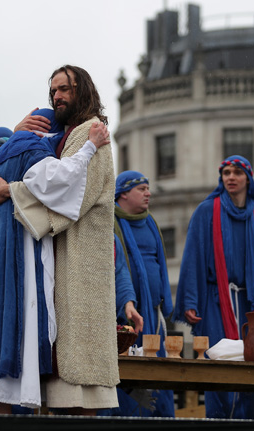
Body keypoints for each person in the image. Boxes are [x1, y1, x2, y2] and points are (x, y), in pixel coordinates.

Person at [0, 107, 108, 414]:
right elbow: (59, 180)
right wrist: (89, 146)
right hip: (15, 246)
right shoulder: (34, 148)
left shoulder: (3, 151)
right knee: (14, 322)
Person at [0, 65, 118, 414]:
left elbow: (71, 194)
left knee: (83, 373)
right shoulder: (66, 136)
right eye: (53, 91)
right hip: (65, 257)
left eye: (65, 89)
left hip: (84, 260)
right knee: (64, 365)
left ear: (83, 90)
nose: (57, 96)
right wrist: (18, 132)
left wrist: (13, 190)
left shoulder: (91, 132)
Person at [174, 155, 254, 419]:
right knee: (219, 365)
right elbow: (192, 256)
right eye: (226, 173)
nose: (231, 177)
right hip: (215, 300)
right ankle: (218, 420)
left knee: (251, 370)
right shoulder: (207, 210)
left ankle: (249, 421)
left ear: (248, 179)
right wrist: (191, 301)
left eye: (237, 173)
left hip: (247, 303)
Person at [110, 170, 175, 417]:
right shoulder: (110, 222)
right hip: (125, 319)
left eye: (148, 188)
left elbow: (160, 262)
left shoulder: (151, 222)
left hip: (153, 313)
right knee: (131, 377)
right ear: (123, 193)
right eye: (142, 189)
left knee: (158, 370)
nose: (148, 193)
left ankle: (161, 417)